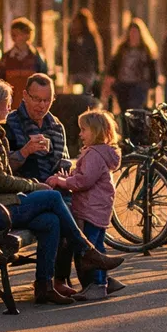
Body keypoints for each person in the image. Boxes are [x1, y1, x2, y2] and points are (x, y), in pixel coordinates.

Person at [0, 79, 125, 306]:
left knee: (51, 220)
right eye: (6, 103)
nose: (9, 108)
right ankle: (88, 254)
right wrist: (34, 183)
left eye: (47, 100)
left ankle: (46, 286)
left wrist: (61, 173)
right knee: (53, 198)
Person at [46, 110, 123, 301]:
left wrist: (61, 181)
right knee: (95, 245)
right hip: (98, 209)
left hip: (91, 210)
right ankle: (102, 281)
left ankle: (98, 284)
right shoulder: (102, 153)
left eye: (83, 130)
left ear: (95, 131)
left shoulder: (94, 155)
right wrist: (69, 177)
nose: (80, 134)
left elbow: (84, 181)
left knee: (90, 249)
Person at [5, 73, 68, 181]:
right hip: (24, 191)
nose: (42, 105)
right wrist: (25, 151)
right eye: (36, 99)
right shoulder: (9, 122)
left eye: (47, 100)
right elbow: (0, 169)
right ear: (25, 96)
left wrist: (63, 177)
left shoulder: (56, 126)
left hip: (55, 189)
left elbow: (65, 164)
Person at [101, 20, 159, 114]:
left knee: (136, 110)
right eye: (131, 32)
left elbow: (152, 69)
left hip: (139, 86)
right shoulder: (122, 49)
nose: (133, 35)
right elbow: (113, 68)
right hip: (123, 86)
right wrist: (109, 84)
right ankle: (126, 128)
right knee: (124, 111)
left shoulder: (146, 50)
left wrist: (152, 85)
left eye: (135, 32)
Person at [0, 17, 49, 104]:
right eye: (12, 34)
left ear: (27, 35)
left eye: (17, 34)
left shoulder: (37, 57)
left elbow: (44, 81)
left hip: (32, 104)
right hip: (11, 104)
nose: (13, 37)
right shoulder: (6, 58)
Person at [65, 10, 104, 96]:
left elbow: (96, 54)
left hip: (87, 72)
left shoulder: (90, 37)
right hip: (75, 71)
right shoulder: (72, 37)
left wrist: (97, 72)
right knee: (75, 94)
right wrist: (69, 72)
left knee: (86, 93)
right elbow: (70, 55)